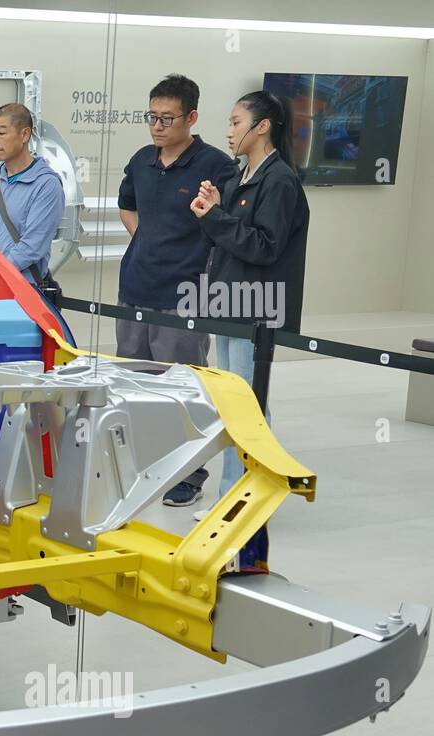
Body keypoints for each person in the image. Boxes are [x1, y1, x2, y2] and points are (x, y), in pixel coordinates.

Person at [116, 74, 237, 508]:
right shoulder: (142, 160)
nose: (158, 126)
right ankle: (142, 465)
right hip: (135, 288)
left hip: (184, 294)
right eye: (152, 117)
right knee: (133, 385)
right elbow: (126, 205)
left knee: (181, 389)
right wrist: (145, 241)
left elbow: (226, 224)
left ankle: (188, 474)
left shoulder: (216, 165)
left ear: (191, 117)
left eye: (167, 118)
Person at [190, 89, 309, 512]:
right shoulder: (242, 176)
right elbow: (228, 240)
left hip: (256, 308)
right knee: (235, 405)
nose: (229, 131)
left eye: (236, 123)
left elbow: (264, 247)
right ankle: (234, 498)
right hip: (232, 304)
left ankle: (241, 504)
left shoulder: (278, 181)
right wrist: (213, 209)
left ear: (262, 127)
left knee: (249, 409)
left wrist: (217, 217)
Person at [0, 103, 64, 292]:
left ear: (25, 135)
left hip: (21, 291)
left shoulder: (46, 184)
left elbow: (32, 247)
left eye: (2, 133)